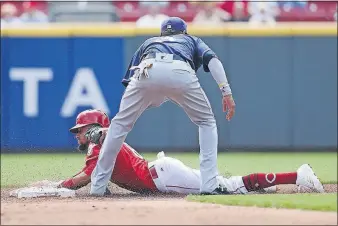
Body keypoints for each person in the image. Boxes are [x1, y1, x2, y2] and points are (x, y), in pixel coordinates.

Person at [90, 16, 236, 196]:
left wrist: (131, 111)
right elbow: (213, 60)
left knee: (119, 125)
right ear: (184, 32)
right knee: (206, 122)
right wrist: (226, 92)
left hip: (147, 69)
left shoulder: (150, 42)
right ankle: (209, 184)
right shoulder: (191, 40)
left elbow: (130, 83)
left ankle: (97, 186)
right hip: (180, 70)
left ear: (162, 33)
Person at [38, 109, 324, 195]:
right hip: (161, 172)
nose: (77, 135)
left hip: (160, 176)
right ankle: (269, 186)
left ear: (92, 129)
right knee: (227, 185)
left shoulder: (99, 144)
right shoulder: (104, 144)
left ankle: (297, 176)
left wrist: (57, 187)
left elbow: (86, 177)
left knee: (227, 187)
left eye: (80, 130)